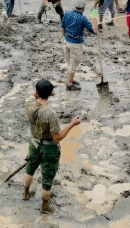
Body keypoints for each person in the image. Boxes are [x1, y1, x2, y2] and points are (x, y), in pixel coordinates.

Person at [23, 80, 81, 214]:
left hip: (34, 144)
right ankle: (45, 207)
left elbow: (33, 95)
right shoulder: (50, 114)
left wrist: (42, 93)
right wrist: (72, 124)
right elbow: (57, 137)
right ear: (50, 93)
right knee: (47, 179)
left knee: (29, 169)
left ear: (37, 93)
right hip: (49, 149)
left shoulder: (29, 104)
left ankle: (25, 194)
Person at [60, 0, 99, 91]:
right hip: (76, 45)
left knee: (69, 63)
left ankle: (70, 79)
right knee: (73, 65)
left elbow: (63, 26)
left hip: (66, 41)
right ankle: (69, 84)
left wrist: (63, 38)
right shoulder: (82, 18)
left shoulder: (68, 13)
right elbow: (94, 30)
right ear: (83, 8)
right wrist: (94, 14)